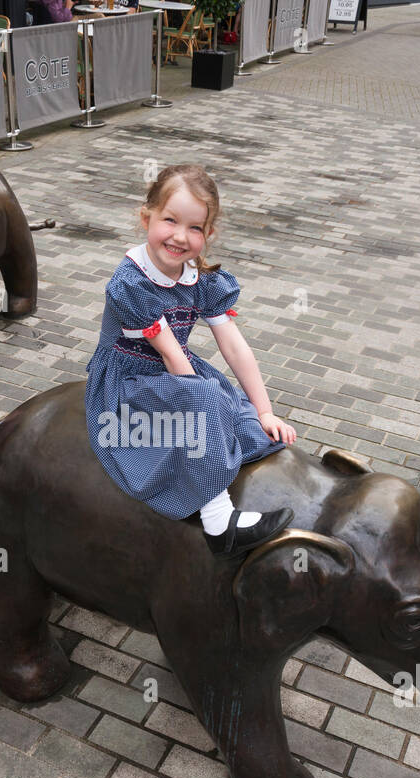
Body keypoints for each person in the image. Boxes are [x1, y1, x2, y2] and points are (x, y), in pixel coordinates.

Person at [85, 165, 297, 558]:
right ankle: (219, 523)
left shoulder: (203, 279)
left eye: (195, 228)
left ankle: (228, 452)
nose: (181, 237)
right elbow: (169, 353)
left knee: (238, 409)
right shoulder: (131, 283)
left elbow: (234, 346)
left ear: (209, 234)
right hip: (129, 378)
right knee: (202, 405)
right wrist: (197, 402)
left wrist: (265, 411)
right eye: (170, 220)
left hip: (174, 367)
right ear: (146, 217)